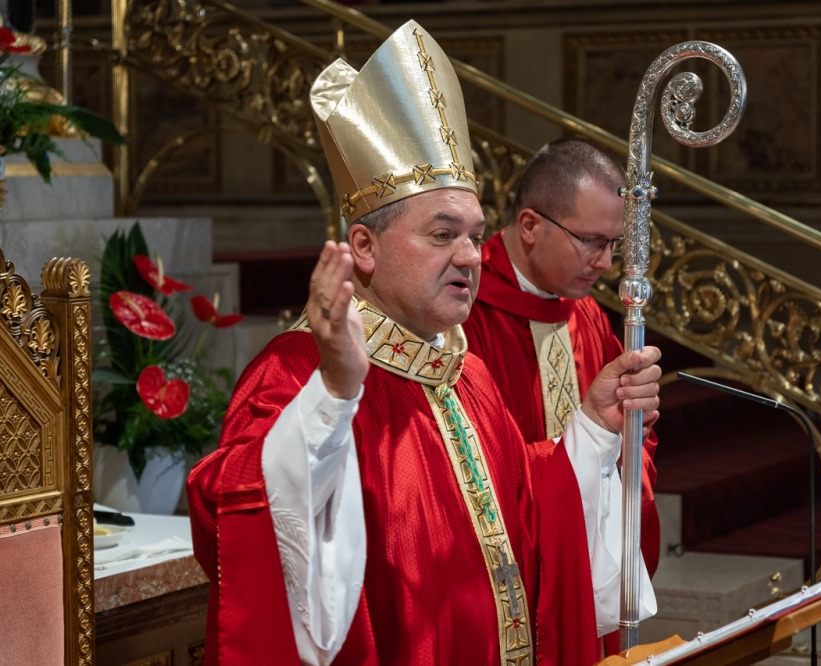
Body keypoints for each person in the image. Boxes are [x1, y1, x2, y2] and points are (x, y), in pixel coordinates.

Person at [187, 21, 660, 666]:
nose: (469, 256)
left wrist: (594, 429)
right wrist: (334, 395)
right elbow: (241, 513)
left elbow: (528, 509)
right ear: (364, 247)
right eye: (442, 235)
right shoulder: (296, 373)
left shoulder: (467, 375)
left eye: (474, 235)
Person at [464, 139, 662, 583]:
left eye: (613, 244)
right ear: (530, 225)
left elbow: (629, 451)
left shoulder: (587, 315)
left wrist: (632, 430)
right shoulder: (465, 315)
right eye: (591, 241)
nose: (606, 262)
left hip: (582, 556)